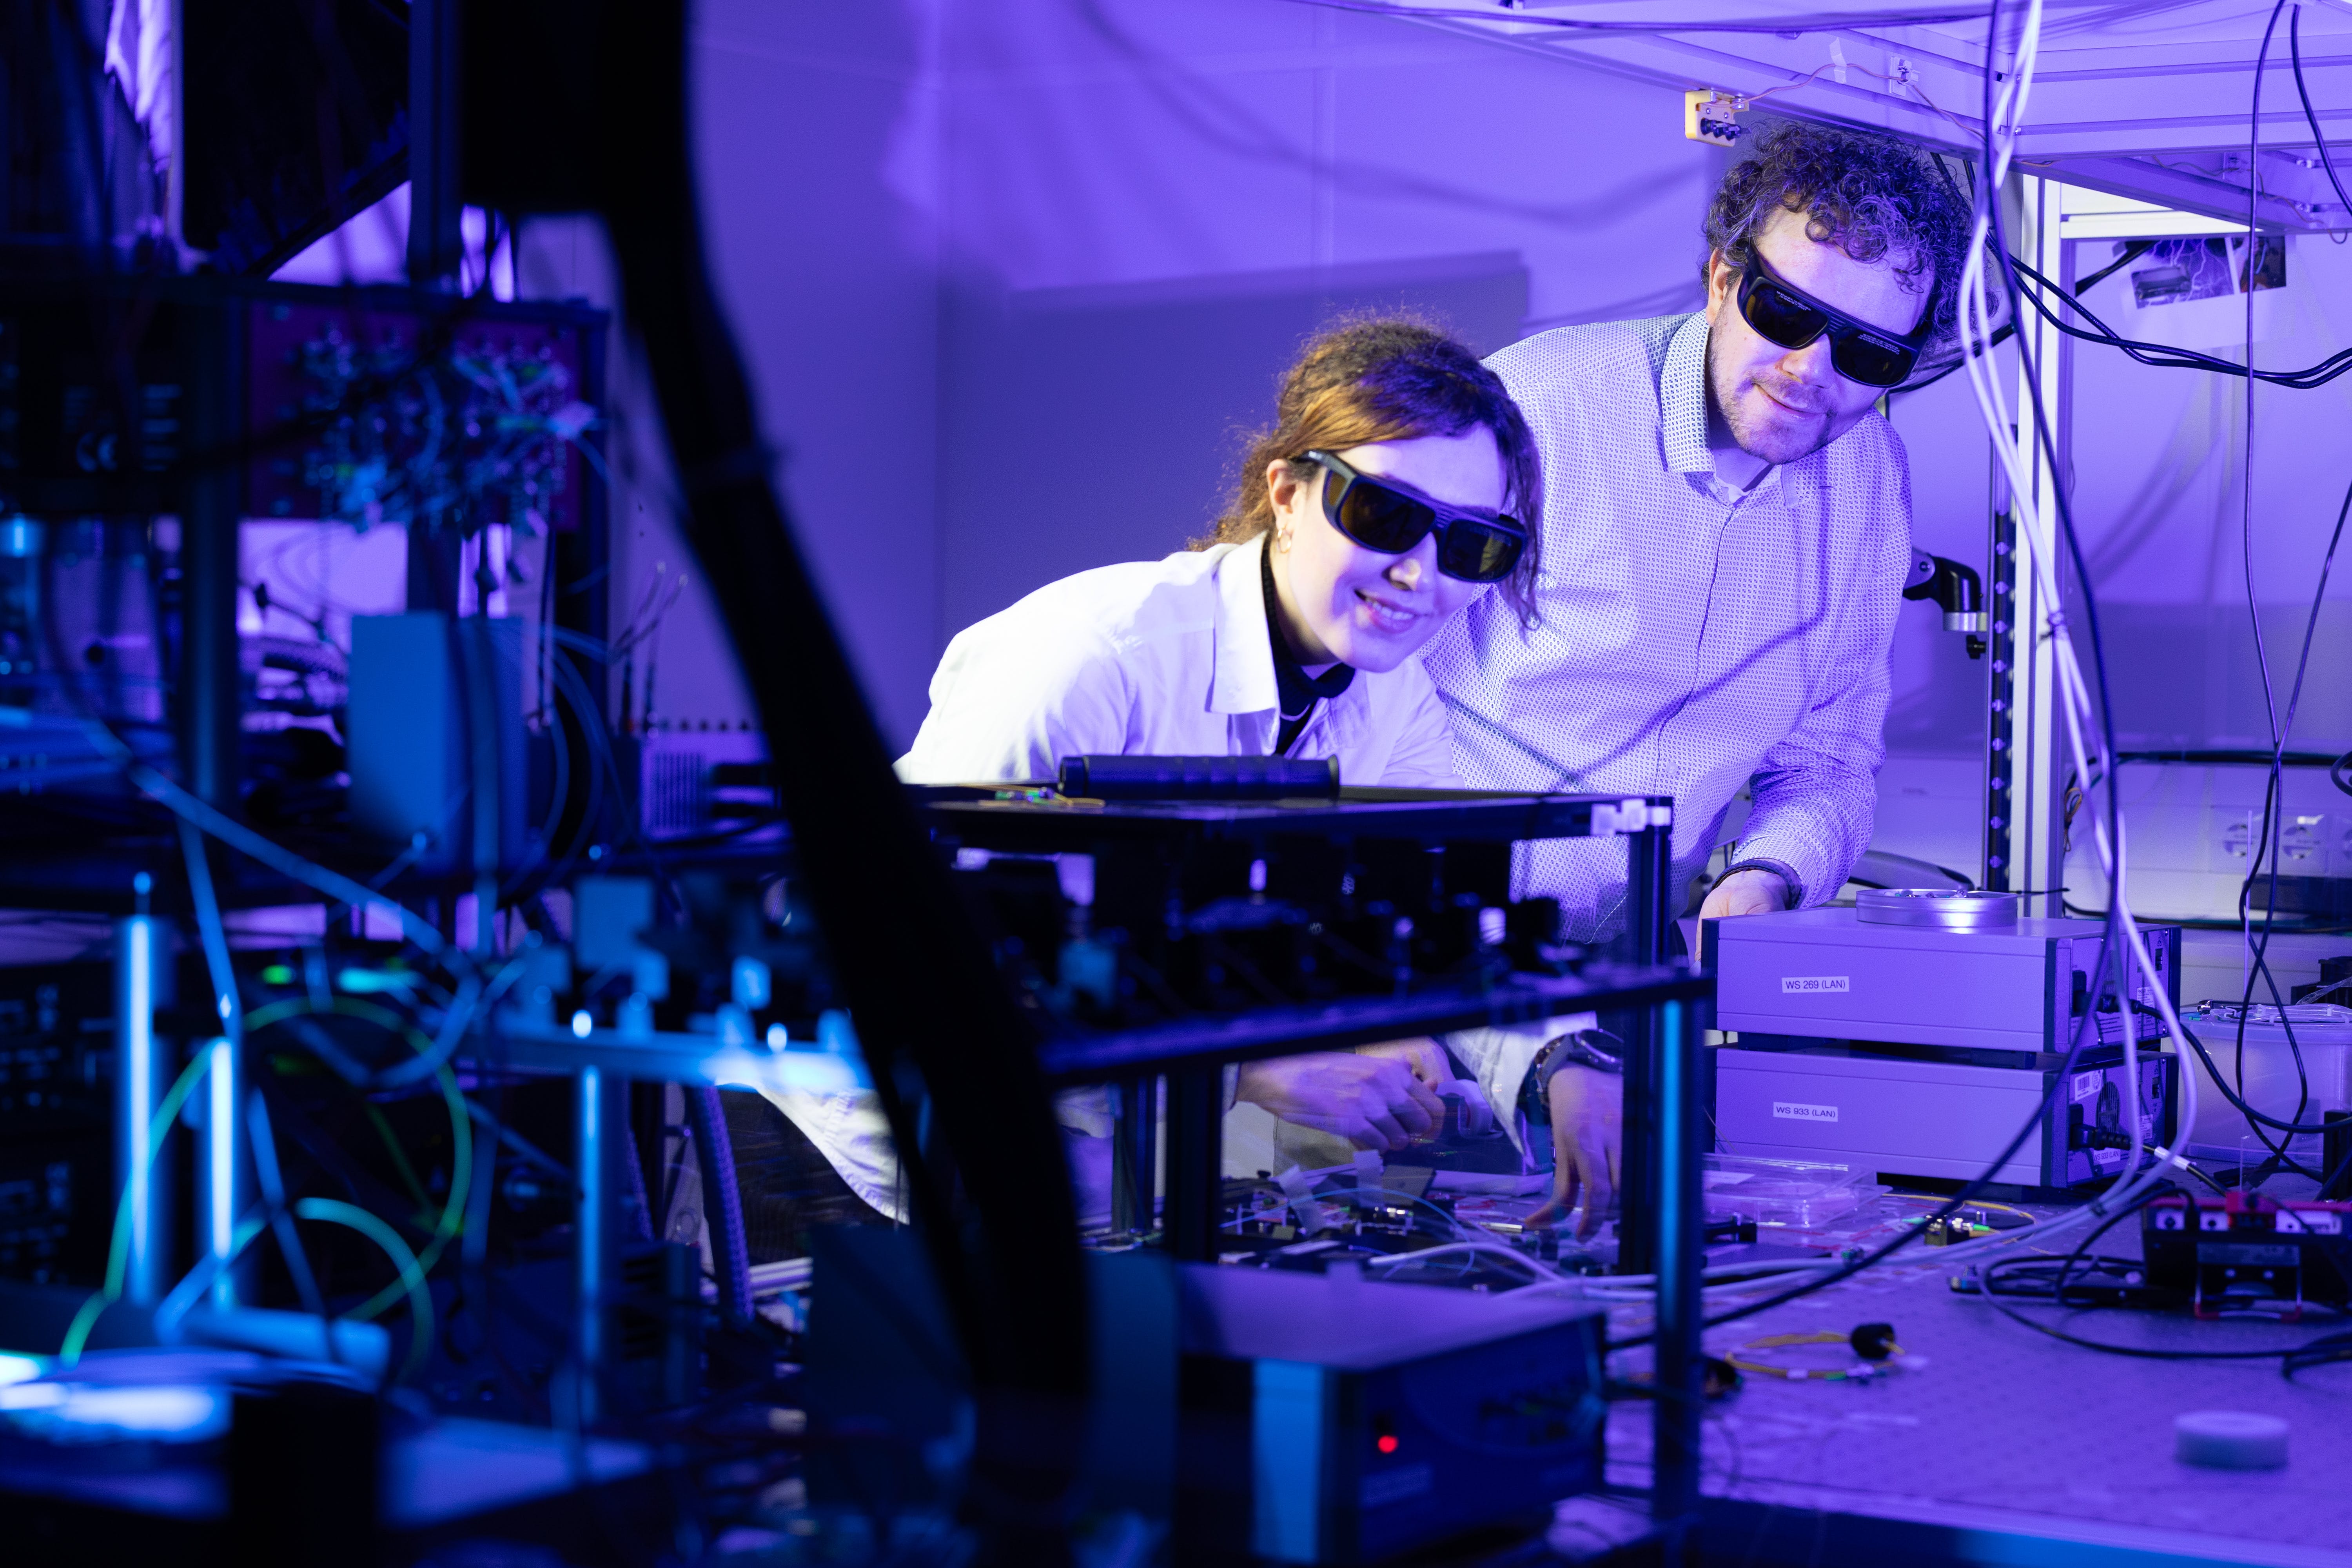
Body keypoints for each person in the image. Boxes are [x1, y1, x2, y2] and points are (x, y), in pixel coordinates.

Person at [1432, 122, 1971, 1234]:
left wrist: (1760, 888)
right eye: (1788, 314)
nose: (1810, 374)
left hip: (1641, 997)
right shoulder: (1540, 411)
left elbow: (1830, 761)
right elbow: (1377, 757)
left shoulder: (1869, 479)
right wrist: (1537, 1045)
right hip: (1426, 994)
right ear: (1723, 276)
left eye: (1869, 356)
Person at [893, 317, 1544, 1178]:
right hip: (882, 1151)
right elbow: (921, 953)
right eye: (1384, 513)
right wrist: (1255, 1069)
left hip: (1082, 1163)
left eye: (1470, 545)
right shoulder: (1094, 658)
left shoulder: (1393, 694)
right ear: (1285, 495)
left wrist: (1417, 1030)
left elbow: (1417, 926)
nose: (1420, 574)